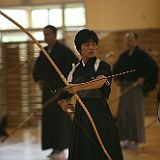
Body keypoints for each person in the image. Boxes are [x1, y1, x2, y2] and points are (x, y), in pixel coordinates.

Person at [62, 29, 123, 160]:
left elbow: (100, 82)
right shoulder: (74, 70)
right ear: (79, 48)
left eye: (94, 44)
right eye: (87, 44)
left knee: (103, 149)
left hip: (99, 113)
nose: (91, 48)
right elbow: (67, 96)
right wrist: (67, 105)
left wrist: (77, 87)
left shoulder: (102, 65)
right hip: (81, 114)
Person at [33, 25, 79, 159]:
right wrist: (39, 80)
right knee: (49, 121)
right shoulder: (44, 51)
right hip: (47, 92)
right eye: (44, 34)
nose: (45, 37)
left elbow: (74, 66)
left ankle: (61, 148)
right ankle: (54, 148)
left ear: (55, 35)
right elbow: (37, 70)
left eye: (48, 34)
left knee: (61, 121)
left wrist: (67, 85)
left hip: (60, 93)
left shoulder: (63, 50)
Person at [113, 32, 158, 149]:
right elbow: (116, 69)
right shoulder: (124, 55)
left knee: (135, 115)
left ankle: (137, 140)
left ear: (136, 41)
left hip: (135, 88)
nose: (128, 42)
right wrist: (116, 78)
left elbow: (153, 68)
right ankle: (126, 139)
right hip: (124, 88)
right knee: (124, 115)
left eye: (130, 40)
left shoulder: (142, 55)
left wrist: (144, 78)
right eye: (126, 40)